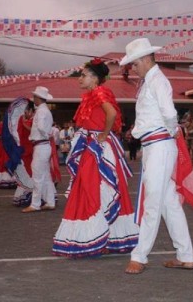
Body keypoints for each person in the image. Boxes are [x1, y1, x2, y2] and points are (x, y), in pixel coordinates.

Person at [119, 38, 193, 275]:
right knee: (168, 203)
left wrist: (170, 133)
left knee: (152, 202)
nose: (133, 68)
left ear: (144, 59)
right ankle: (185, 255)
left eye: (134, 64)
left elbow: (170, 113)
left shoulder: (157, 81)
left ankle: (139, 256)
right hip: (156, 145)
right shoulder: (150, 81)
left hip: (160, 145)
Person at [53, 58, 139, 258]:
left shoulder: (99, 92)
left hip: (97, 147)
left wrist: (102, 134)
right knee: (92, 188)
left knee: (91, 188)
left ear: (94, 78)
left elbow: (110, 114)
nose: (79, 79)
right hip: (92, 145)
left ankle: (93, 236)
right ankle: (104, 236)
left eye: (83, 75)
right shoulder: (92, 94)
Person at [22, 86, 57, 213]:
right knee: (46, 175)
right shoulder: (44, 110)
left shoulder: (41, 112)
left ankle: (35, 204)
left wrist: (45, 134)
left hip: (41, 145)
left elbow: (42, 127)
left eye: (35, 97)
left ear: (38, 98)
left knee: (37, 176)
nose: (33, 99)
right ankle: (50, 201)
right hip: (43, 145)